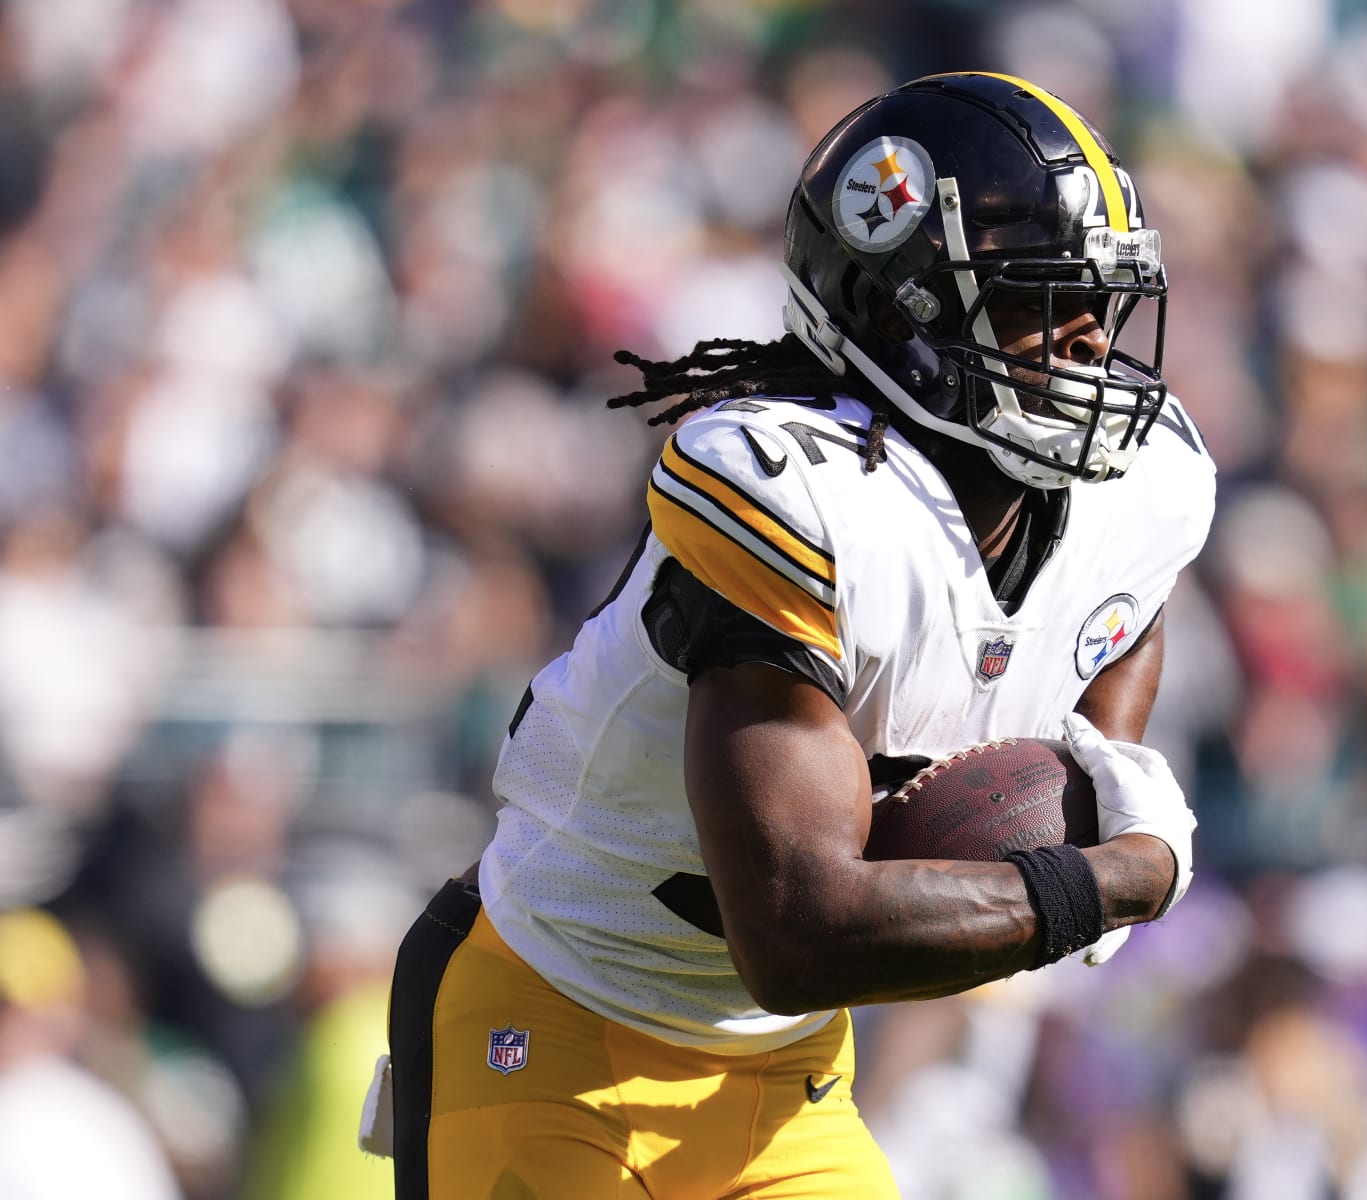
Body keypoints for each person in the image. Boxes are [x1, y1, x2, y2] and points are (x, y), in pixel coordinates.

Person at [376, 71, 1216, 1199]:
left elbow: (1119, 603)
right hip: (556, 1016)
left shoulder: (1138, 486)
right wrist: (1103, 881)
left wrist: (1104, 767)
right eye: (1031, 302)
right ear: (892, 316)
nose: (1084, 343)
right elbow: (797, 934)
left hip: (783, 1075)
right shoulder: (802, 504)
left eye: (1097, 305)